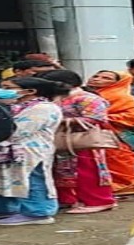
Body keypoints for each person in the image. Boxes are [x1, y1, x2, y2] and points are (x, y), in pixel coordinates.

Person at [0, 77, 65, 226]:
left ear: (30, 91)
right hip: (6, 148)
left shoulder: (43, 108)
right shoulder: (17, 106)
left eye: (8, 88)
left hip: (29, 150)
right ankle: (1, 209)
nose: (2, 91)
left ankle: (38, 213)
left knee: (33, 180)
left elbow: (18, 130)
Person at [39, 70, 116, 214]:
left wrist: (64, 121)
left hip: (84, 142)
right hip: (62, 141)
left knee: (88, 172)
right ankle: (69, 199)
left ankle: (100, 200)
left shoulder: (87, 98)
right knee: (62, 172)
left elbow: (97, 118)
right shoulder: (57, 97)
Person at [84, 70, 134, 196]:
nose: (97, 79)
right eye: (95, 75)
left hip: (115, 136)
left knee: (119, 163)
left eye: (106, 78)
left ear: (118, 82)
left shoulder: (123, 97)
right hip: (92, 136)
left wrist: (103, 119)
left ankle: (127, 188)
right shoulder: (85, 94)